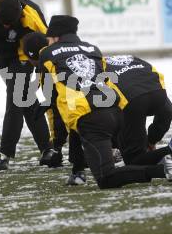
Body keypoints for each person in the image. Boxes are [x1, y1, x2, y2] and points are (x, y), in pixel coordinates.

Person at [23, 16, 172, 189]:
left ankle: (163, 170)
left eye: (49, 38)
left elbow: (54, 102)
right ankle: (79, 172)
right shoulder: (92, 48)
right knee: (131, 156)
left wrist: (55, 145)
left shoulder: (47, 54)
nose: (47, 41)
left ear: (55, 36)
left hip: (92, 118)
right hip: (117, 111)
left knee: (106, 177)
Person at [0, 0, 58, 171]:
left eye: (12, 24)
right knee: (25, 99)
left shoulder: (31, 17)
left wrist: (49, 76)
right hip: (0, 54)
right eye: (4, 23)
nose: (8, 27)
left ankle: (5, 154)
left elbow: (48, 48)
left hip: (23, 53)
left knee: (16, 97)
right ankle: (47, 149)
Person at [104, 55, 172, 166]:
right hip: (158, 92)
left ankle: (168, 151)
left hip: (132, 101)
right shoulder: (132, 58)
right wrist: (152, 140)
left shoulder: (97, 67)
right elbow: (167, 111)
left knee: (134, 160)